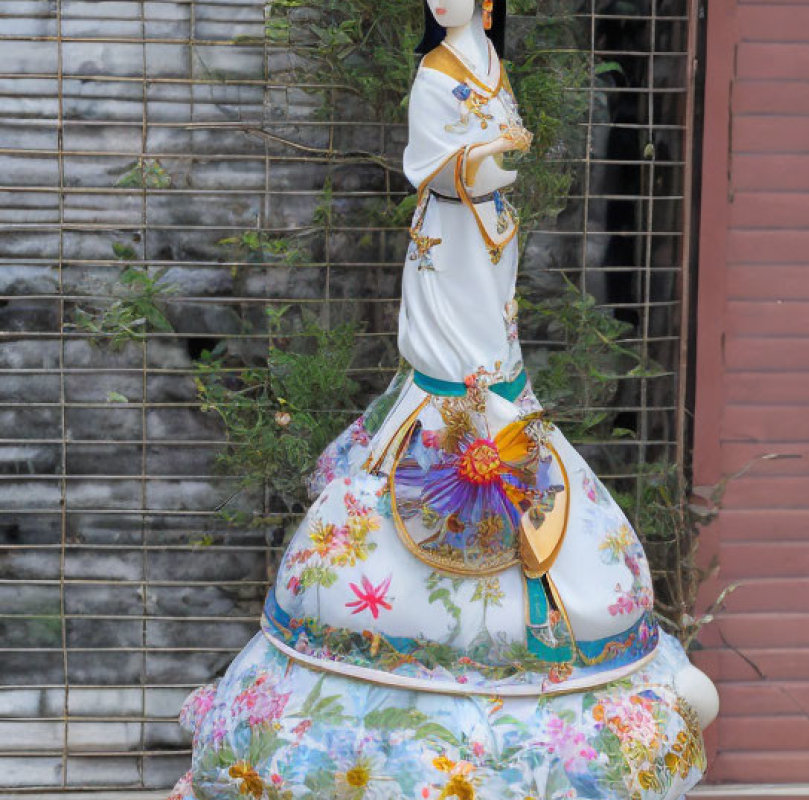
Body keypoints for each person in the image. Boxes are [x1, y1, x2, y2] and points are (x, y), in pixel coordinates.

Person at [168, 1, 717, 797]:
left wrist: (503, 160)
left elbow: (506, 131)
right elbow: (428, 163)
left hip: (492, 225)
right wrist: (483, 165)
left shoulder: (489, 63)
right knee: (452, 360)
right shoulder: (435, 72)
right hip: (451, 225)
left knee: (497, 346)